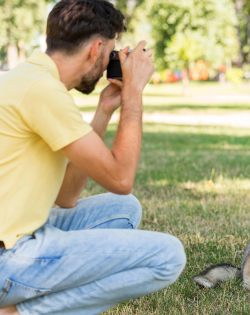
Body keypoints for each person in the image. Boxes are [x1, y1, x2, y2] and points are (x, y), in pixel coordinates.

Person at [0, 1, 185, 314]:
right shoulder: (43, 92)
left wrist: (104, 110)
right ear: (96, 48)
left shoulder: (31, 80)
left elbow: (66, 196)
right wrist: (133, 96)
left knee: (124, 210)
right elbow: (121, 178)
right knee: (168, 257)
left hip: (18, 233)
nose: (107, 66)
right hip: (9, 259)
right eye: (110, 53)